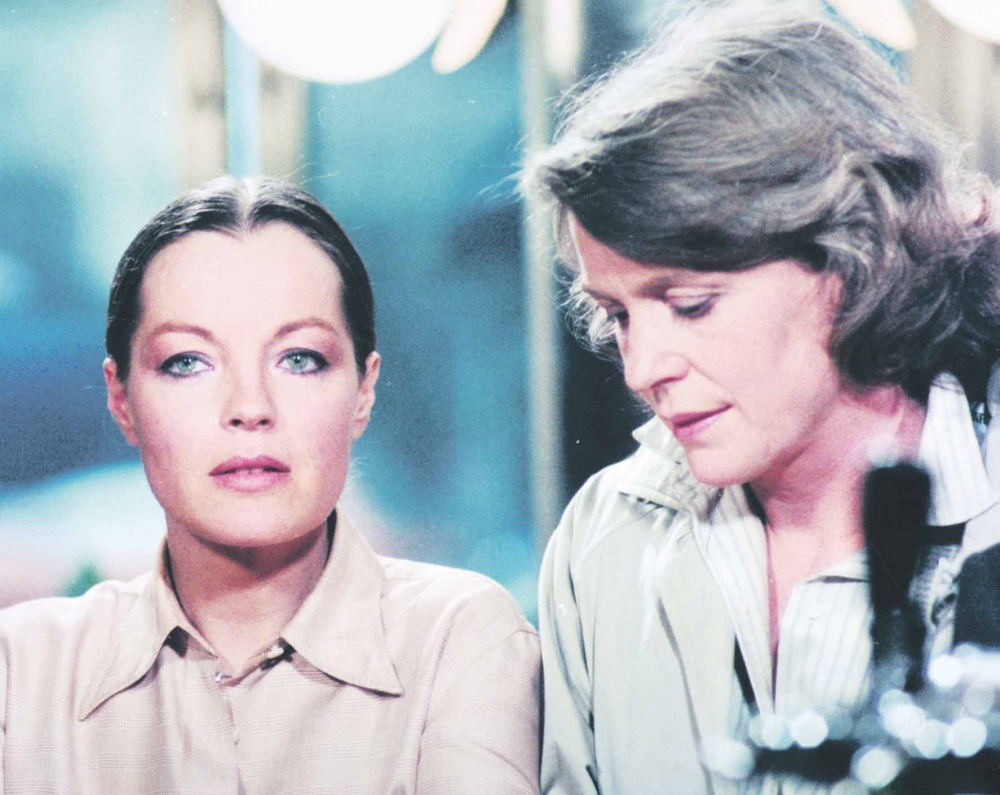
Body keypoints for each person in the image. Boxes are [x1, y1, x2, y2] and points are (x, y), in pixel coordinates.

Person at [524, 1, 1000, 793]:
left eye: (690, 305)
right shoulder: (604, 536)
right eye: (618, 314)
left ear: (851, 256)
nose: (641, 369)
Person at [0, 177, 541, 794]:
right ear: (121, 400)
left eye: (299, 359)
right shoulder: (25, 668)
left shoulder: (458, 639)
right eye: (187, 362)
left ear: (364, 392)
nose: (250, 407)